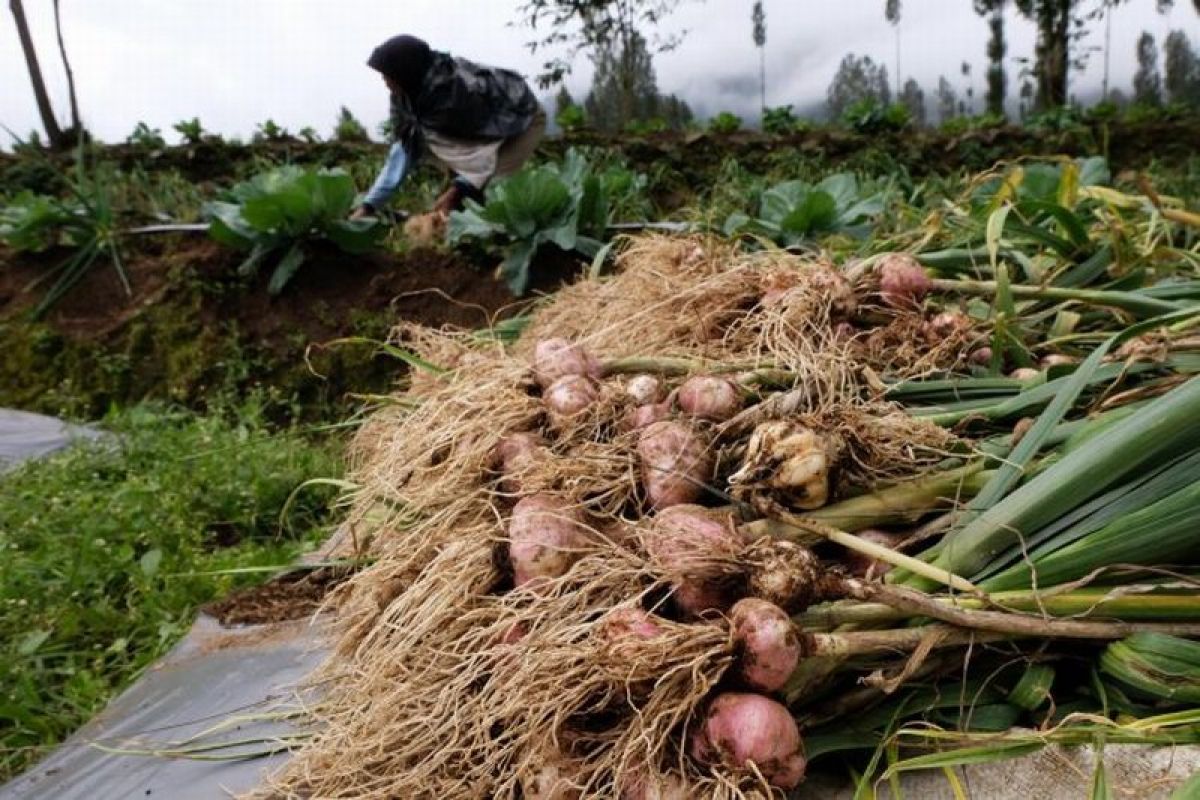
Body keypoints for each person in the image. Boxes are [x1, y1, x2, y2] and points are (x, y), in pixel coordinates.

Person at [350, 35, 546, 221]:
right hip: (480, 133)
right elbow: (402, 151)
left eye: (388, 75)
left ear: (405, 71)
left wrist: (455, 192)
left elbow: (483, 153)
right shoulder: (405, 95)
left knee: (496, 193)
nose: (385, 81)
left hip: (521, 121)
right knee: (463, 190)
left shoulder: (457, 95)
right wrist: (368, 206)